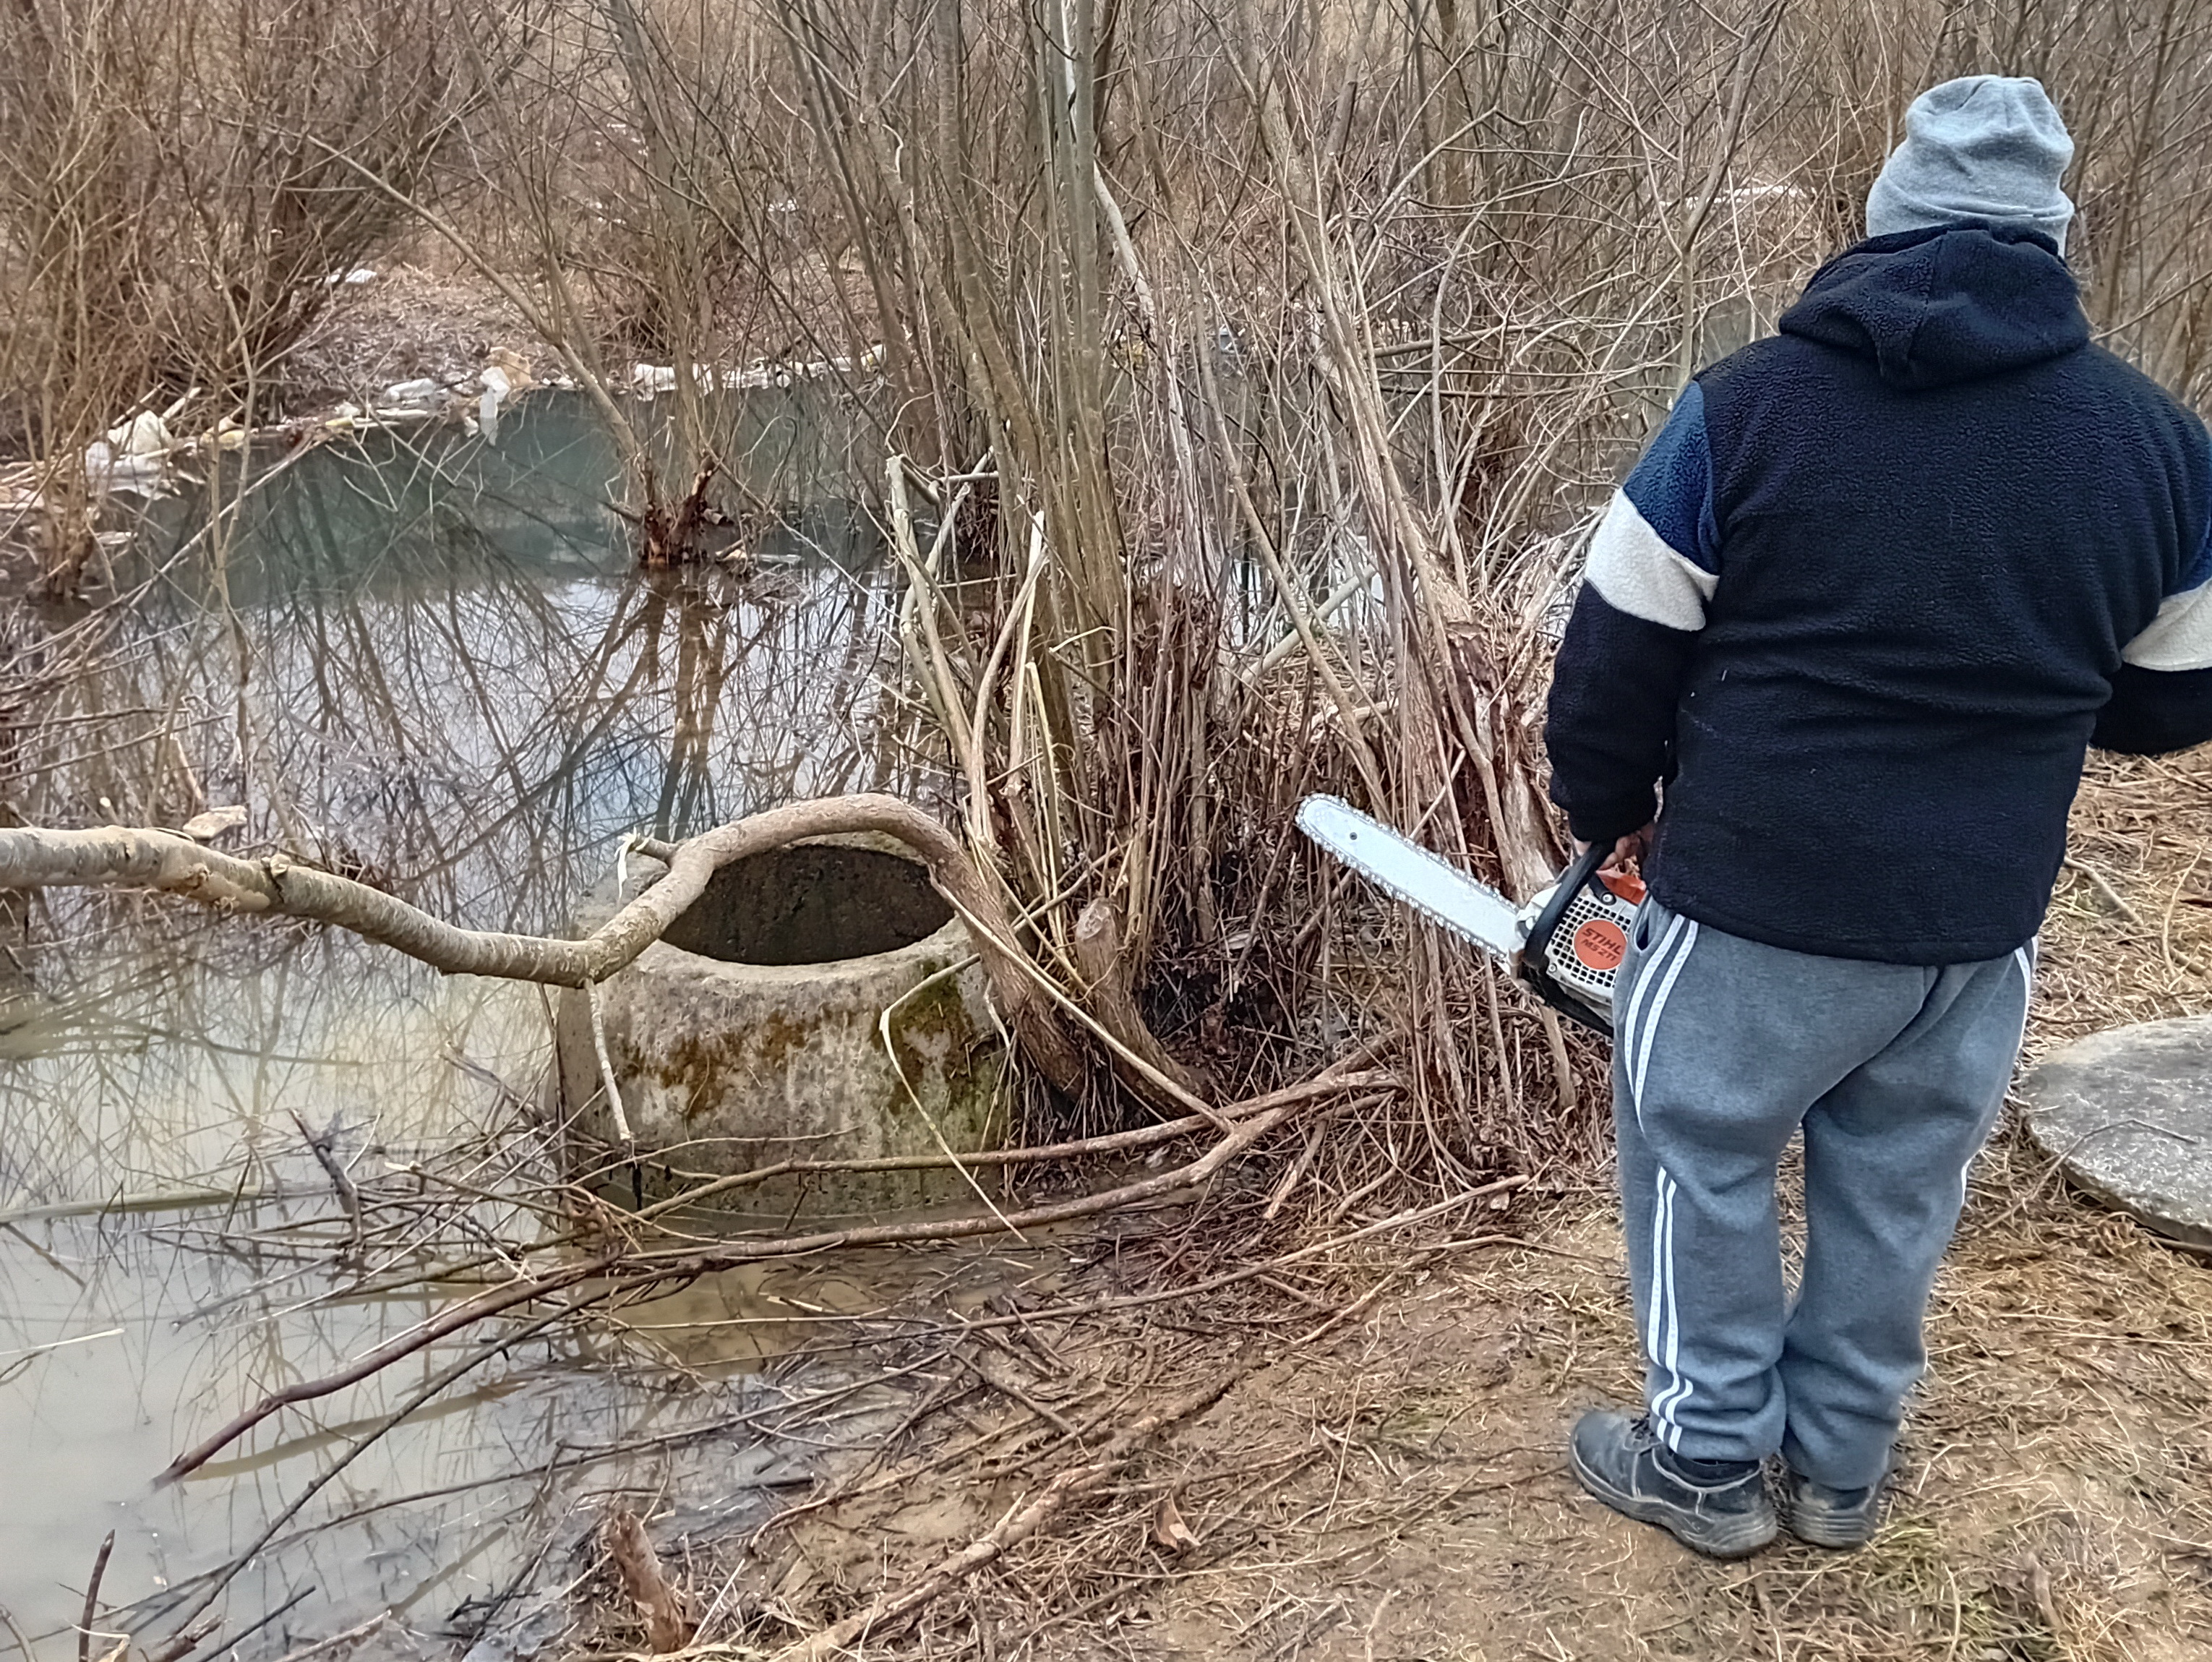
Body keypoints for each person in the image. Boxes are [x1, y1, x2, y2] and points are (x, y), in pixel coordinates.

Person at [1543, 74, 2212, 1559]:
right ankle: (1841, 1469)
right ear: (2054, 236)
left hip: (1751, 909)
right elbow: (2172, 702)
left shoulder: (1741, 410)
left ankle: (1708, 1462)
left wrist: (1610, 816)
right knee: (1900, 1185)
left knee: (1698, 1151)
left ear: (1885, 216)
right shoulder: (2163, 450)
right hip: (1976, 927)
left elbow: (1612, 657)